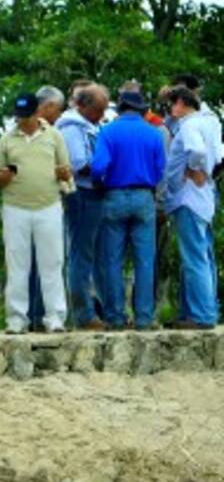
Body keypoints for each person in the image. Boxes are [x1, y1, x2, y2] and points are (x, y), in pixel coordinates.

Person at [0, 91, 73, 335]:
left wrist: (64, 174)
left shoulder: (54, 136)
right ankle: (17, 319)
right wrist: (4, 176)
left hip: (48, 205)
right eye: (19, 116)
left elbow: (67, 170)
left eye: (26, 115)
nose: (22, 121)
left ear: (37, 112)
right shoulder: (6, 140)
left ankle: (55, 317)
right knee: (17, 265)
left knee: (52, 263)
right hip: (15, 207)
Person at [91, 89, 166, 330]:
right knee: (145, 260)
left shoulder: (107, 131)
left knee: (113, 260)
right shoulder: (153, 133)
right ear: (141, 109)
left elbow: (99, 165)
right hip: (144, 196)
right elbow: (160, 169)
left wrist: (99, 183)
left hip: (114, 196)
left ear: (120, 110)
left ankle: (115, 317)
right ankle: (144, 317)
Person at [163, 86, 222, 328]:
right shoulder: (210, 123)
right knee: (204, 256)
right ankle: (200, 312)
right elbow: (219, 156)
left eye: (171, 104)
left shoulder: (188, 125)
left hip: (187, 197)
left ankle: (202, 316)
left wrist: (194, 167)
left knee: (194, 258)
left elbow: (196, 150)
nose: (170, 110)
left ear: (182, 103)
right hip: (203, 197)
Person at [55, 83, 110, 330]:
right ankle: (83, 314)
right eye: (98, 109)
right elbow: (78, 163)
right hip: (83, 193)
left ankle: (97, 309)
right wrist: (106, 170)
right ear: (84, 106)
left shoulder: (90, 125)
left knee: (92, 254)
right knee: (81, 254)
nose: (101, 115)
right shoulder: (71, 128)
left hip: (94, 194)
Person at [25, 85, 69, 330]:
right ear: (48, 106)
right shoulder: (49, 134)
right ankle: (41, 314)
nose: (59, 115)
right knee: (48, 262)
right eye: (58, 109)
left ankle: (34, 315)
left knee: (34, 262)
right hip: (44, 203)